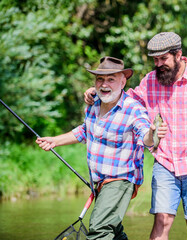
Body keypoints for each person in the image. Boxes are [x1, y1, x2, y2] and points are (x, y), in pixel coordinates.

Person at [84, 32, 187, 240]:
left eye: (164, 59)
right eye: (155, 59)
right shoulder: (150, 80)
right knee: (162, 221)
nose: (159, 64)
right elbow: (126, 100)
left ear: (178, 54)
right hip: (165, 163)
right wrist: (100, 90)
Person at [37, 56, 166, 240]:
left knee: (99, 230)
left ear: (123, 82)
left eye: (111, 79)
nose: (104, 84)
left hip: (121, 179)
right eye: (100, 79)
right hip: (99, 182)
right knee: (114, 232)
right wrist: (55, 141)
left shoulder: (133, 109)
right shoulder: (94, 104)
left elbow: (145, 138)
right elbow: (84, 131)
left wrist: (152, 134)